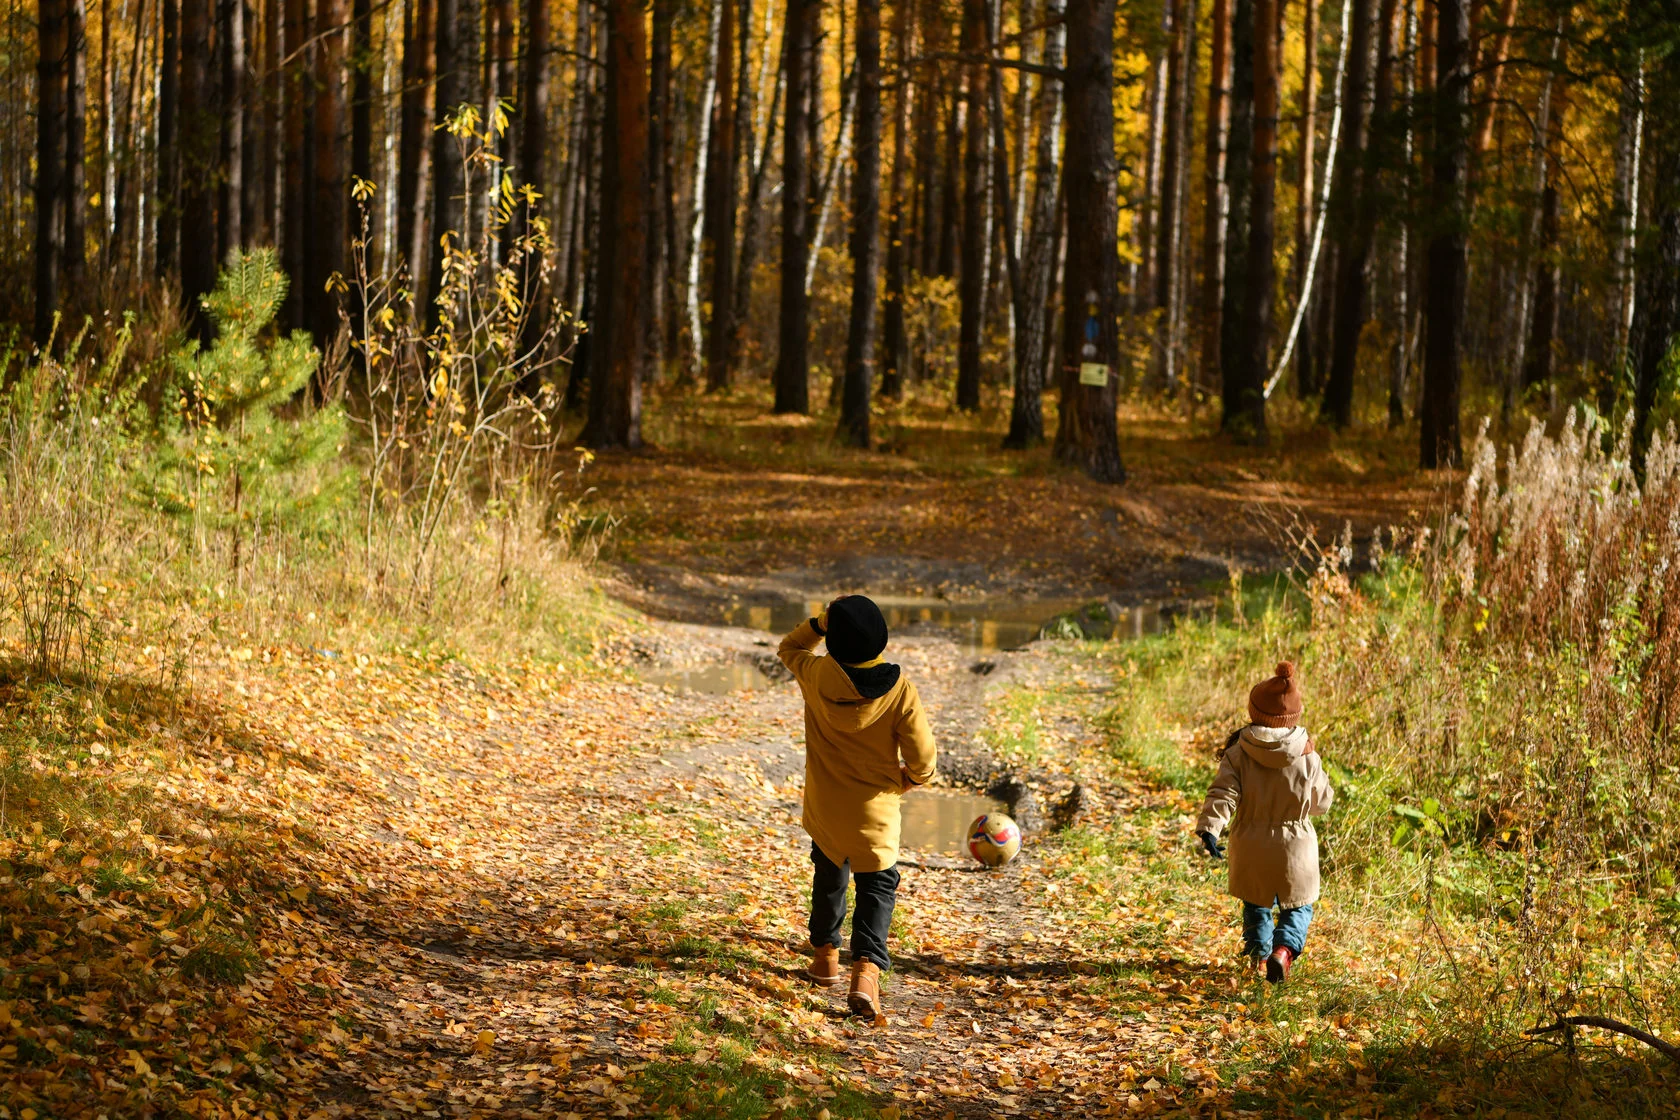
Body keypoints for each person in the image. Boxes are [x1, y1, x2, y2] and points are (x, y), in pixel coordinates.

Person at [778, 596, 937, 1017]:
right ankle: (865, 972)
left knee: (829, 877)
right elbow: (924, 760)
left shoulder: (815, 674)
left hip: (827, 812)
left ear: (834, 638)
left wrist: (817, 623)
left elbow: (789, 649)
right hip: (876, 817)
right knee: (876, 891)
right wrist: (907, 780)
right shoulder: (900, 690)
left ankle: (825, 958)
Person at [1196, 661, 1333, 983]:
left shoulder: (1239, 752)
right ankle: (1283, 952)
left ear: (1254, 711)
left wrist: (1210, 829)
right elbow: (1321, 803)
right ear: (1293, 716)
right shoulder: (1307, 755)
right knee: (1297, 907)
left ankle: (1258, 960)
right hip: (1296, 844)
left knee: (1256, 905)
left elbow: (1223, 794)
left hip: (1251, 842)